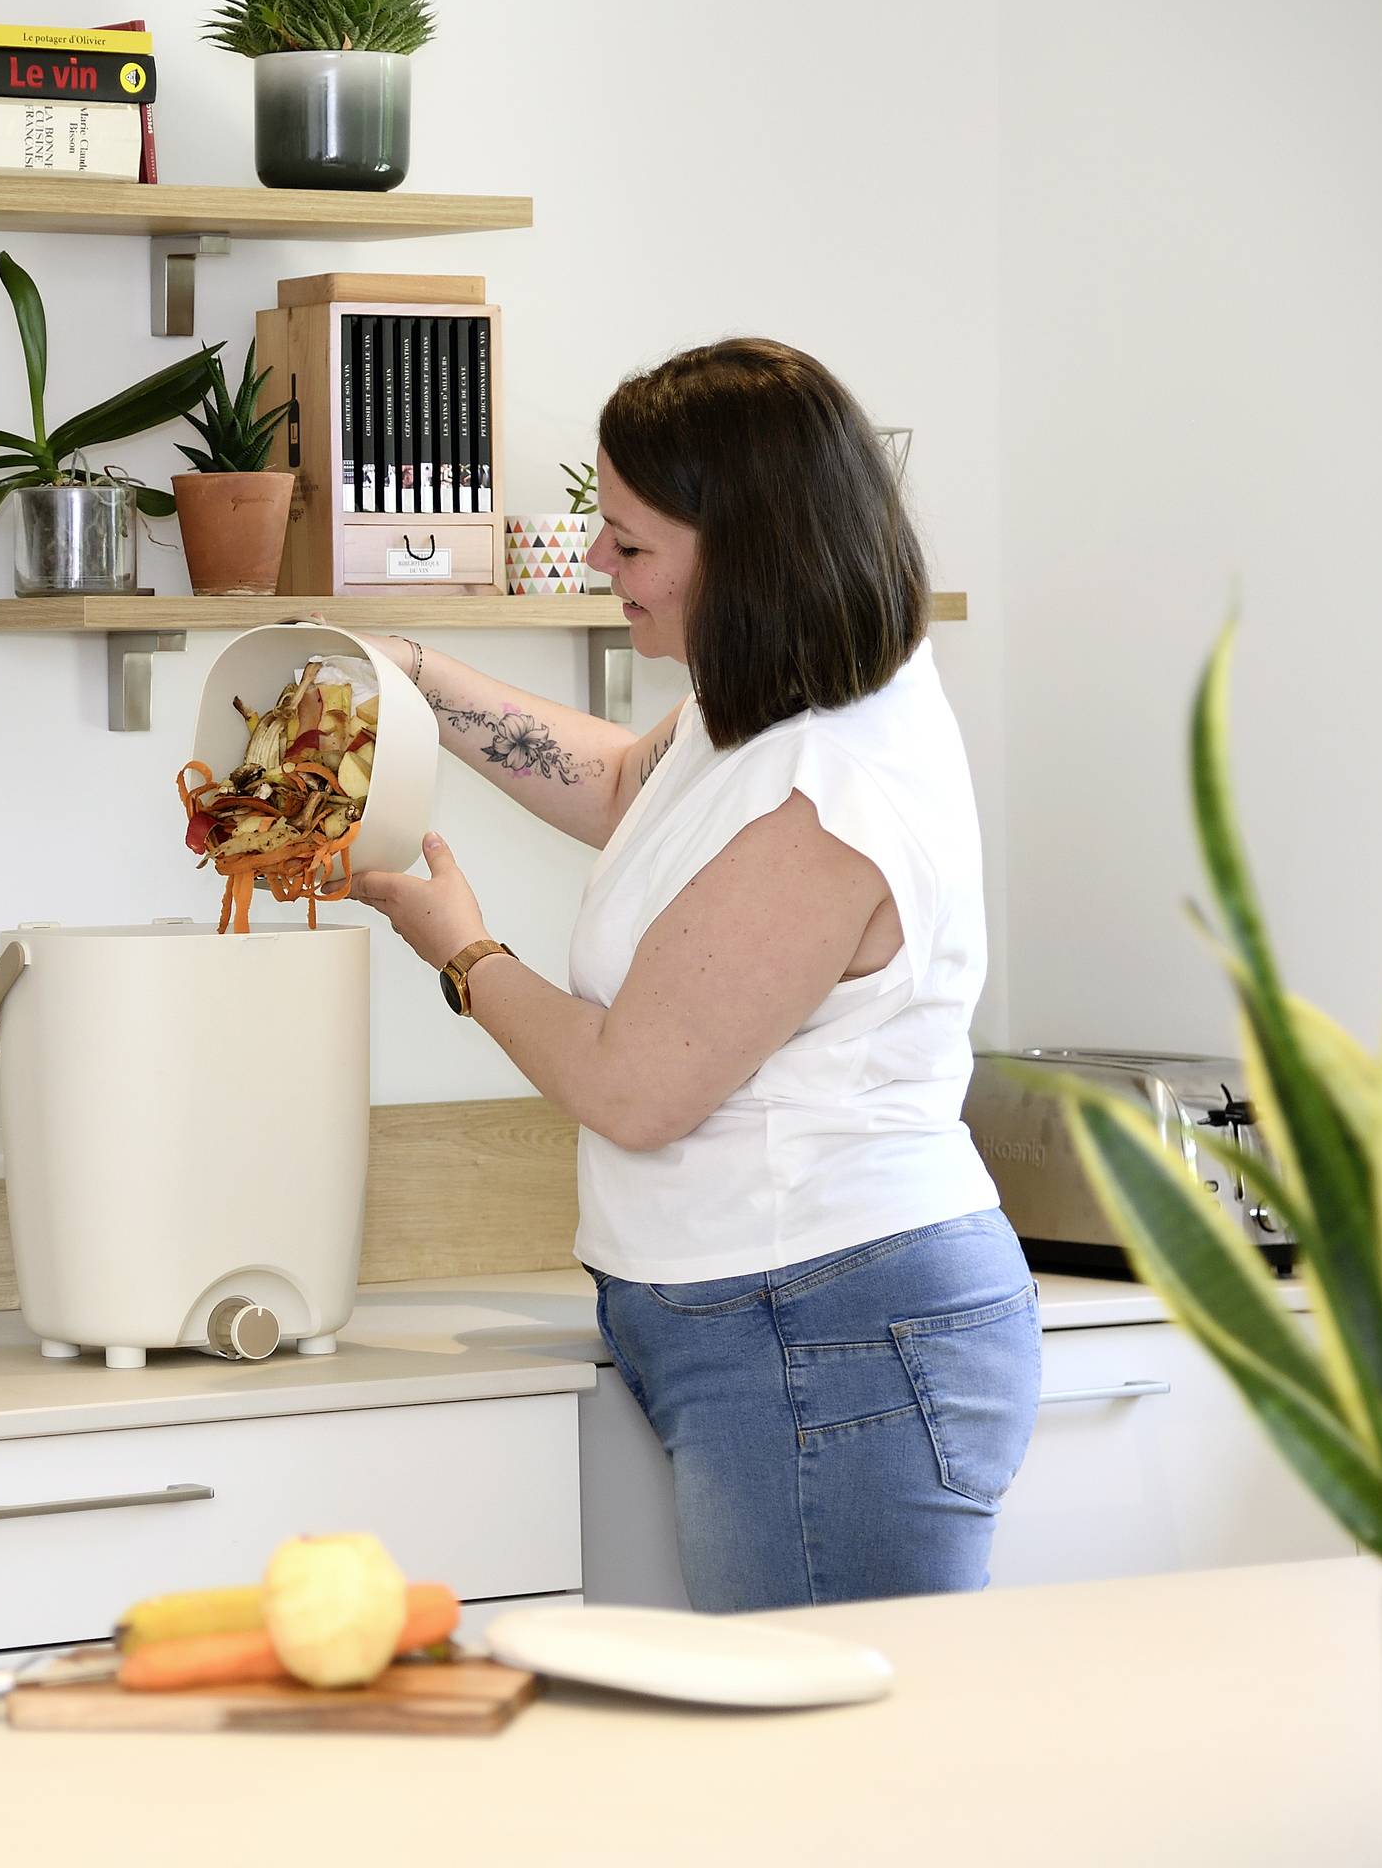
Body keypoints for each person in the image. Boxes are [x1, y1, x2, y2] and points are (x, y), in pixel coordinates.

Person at [349, 339, 1037, 1611]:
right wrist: (417, 675)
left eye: (629, 541)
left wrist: (459, 945)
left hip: (829, 1330)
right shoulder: (776, 692)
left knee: (826, 1767)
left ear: (748, 550)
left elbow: (635, 1087)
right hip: (769, 1317)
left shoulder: (835, 794)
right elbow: (626, 785)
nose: (602, 565)